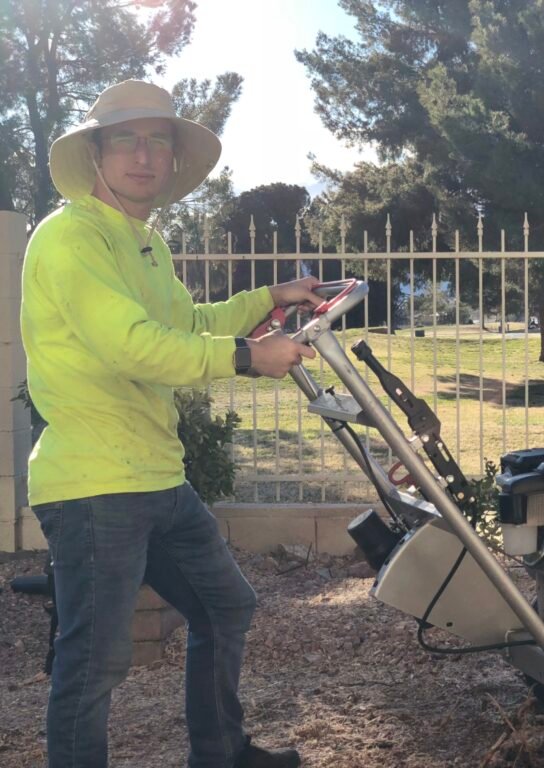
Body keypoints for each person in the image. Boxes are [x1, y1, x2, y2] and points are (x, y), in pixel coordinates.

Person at [21, 80, 317, 768]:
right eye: (126, 139)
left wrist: (267, 298)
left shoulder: (145, 244)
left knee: (224, 606)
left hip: (157, 475)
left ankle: (222, 753)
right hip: (94, 483)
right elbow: (132, 344)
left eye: (159, 141)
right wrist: (249, 358)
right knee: (94, 662)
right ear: (94, 153)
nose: (144, 155)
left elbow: (186, 326)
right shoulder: (70, 238)